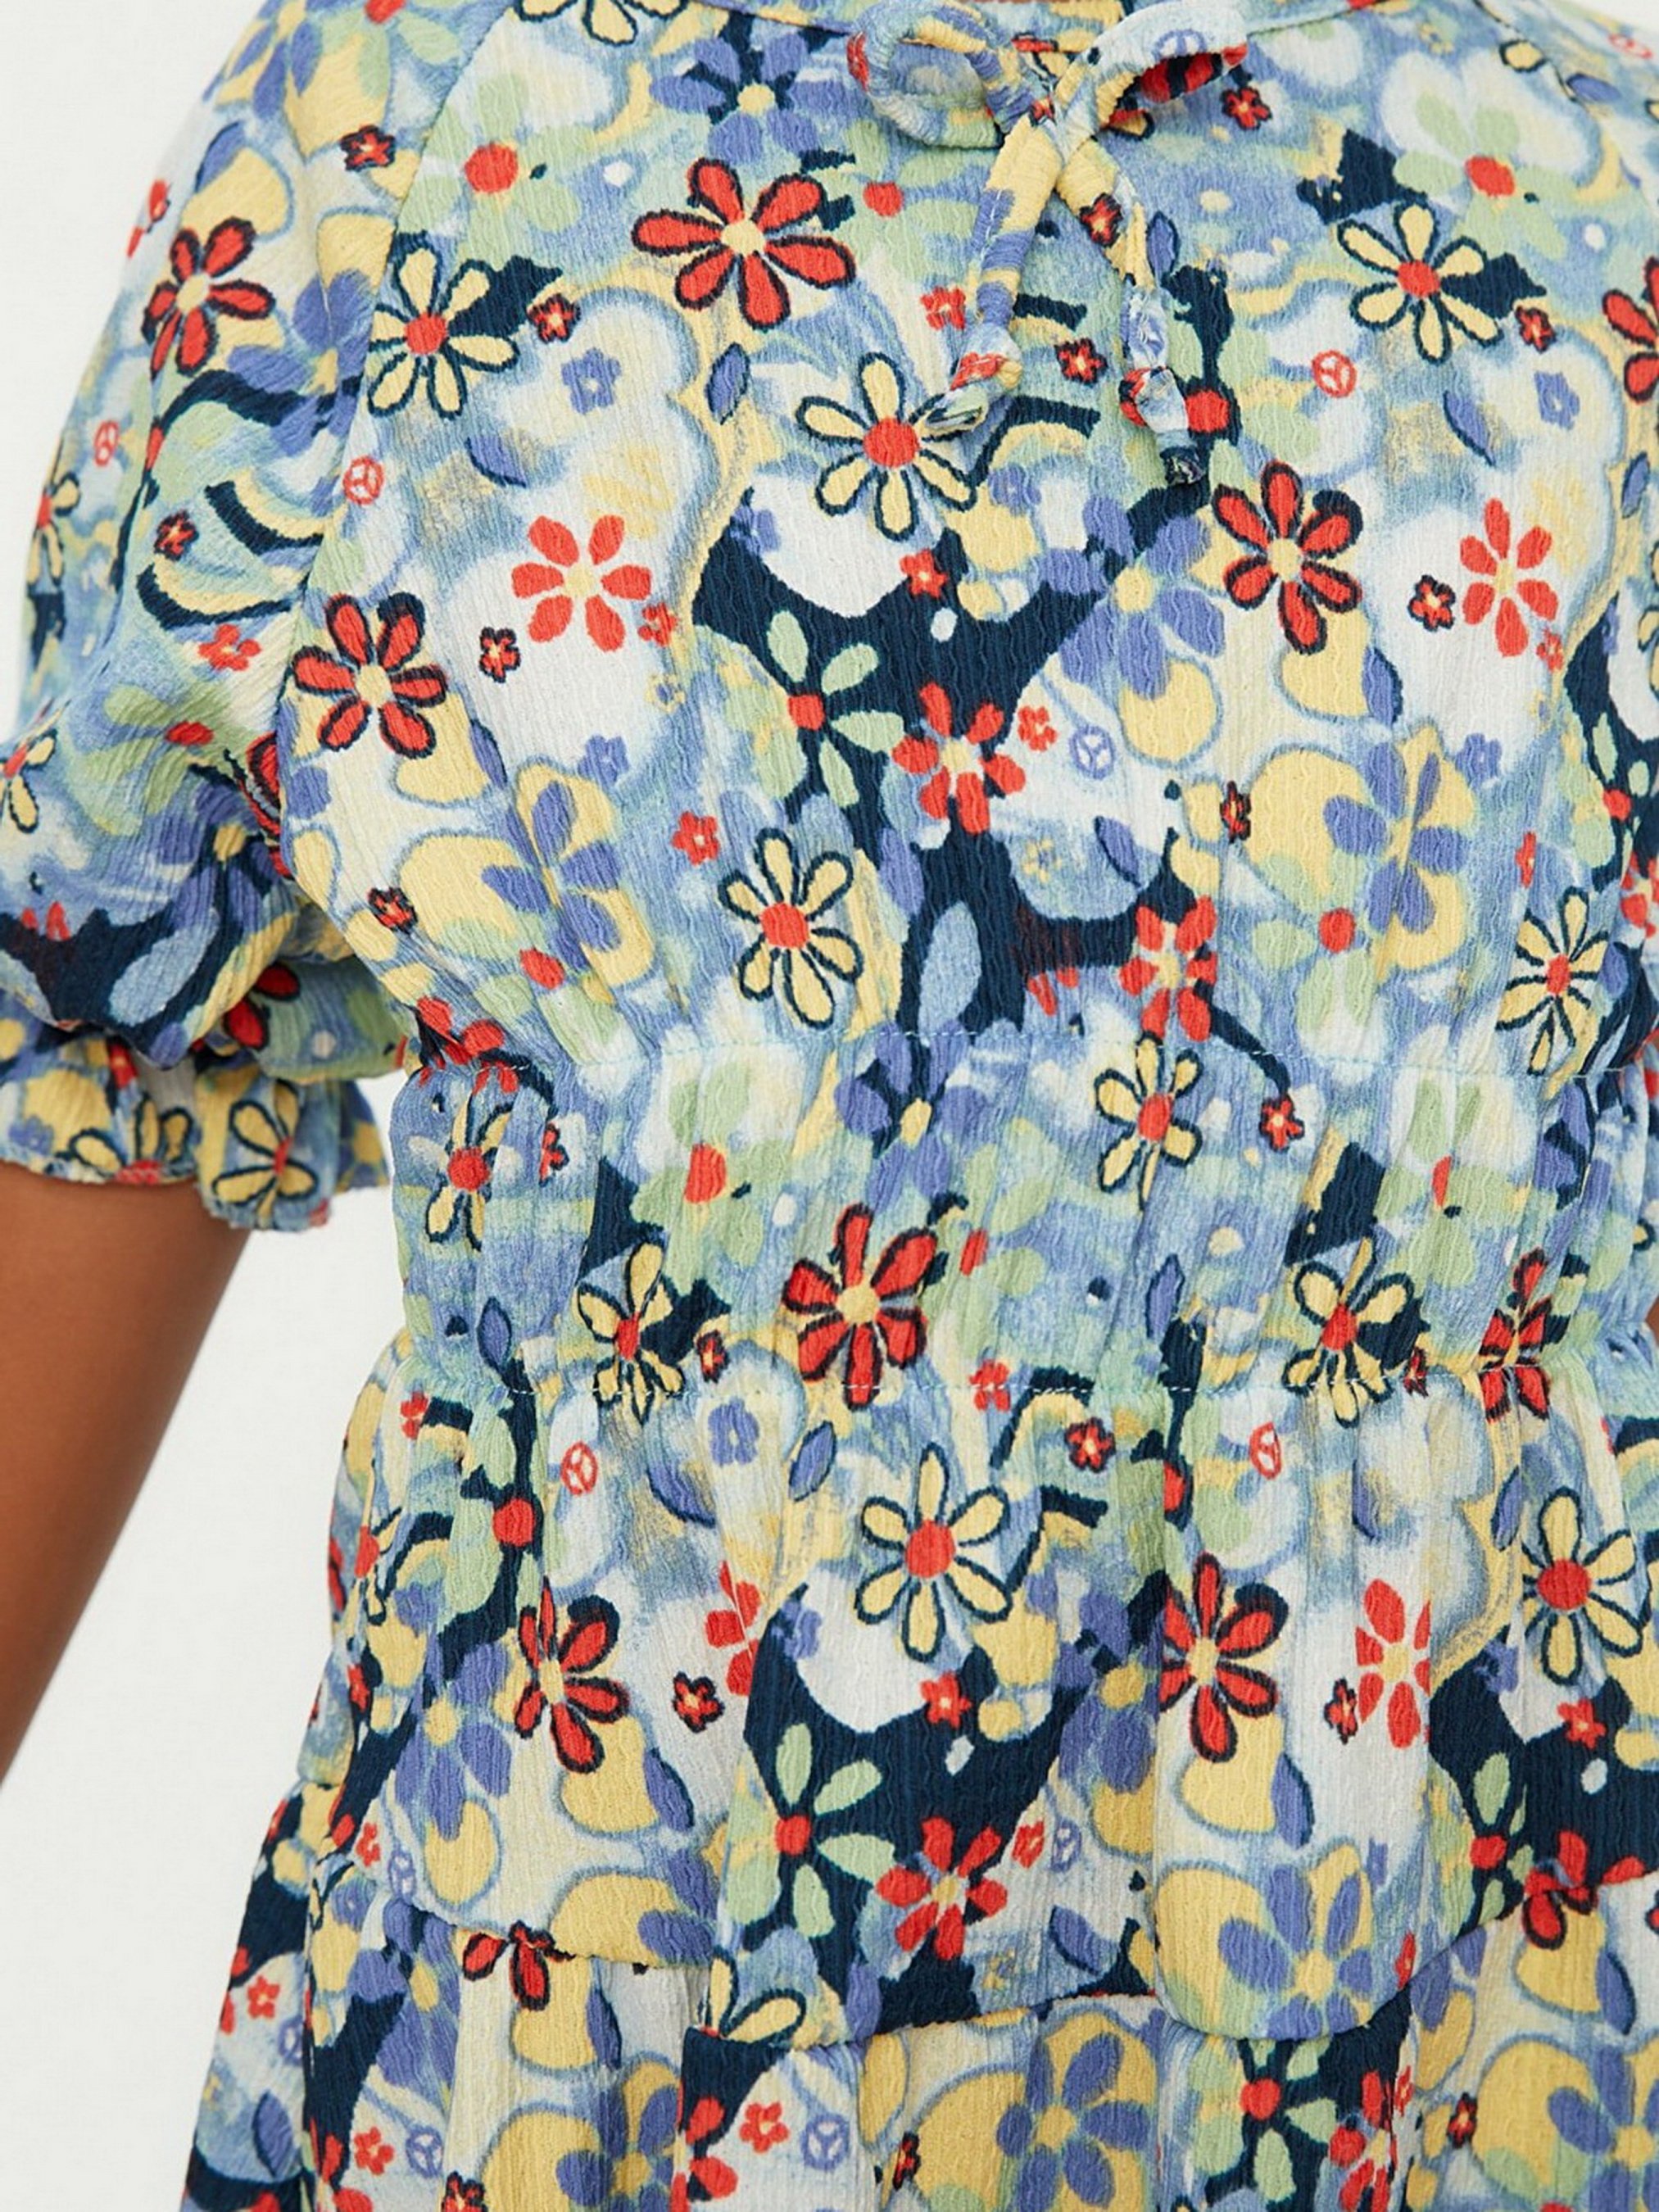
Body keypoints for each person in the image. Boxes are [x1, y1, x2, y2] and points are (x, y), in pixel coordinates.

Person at [7, 0, 1659, 2198]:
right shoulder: (388, 134)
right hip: (588, 2042)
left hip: (1444, 2029)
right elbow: (98, 1047)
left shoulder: (1592, 188)